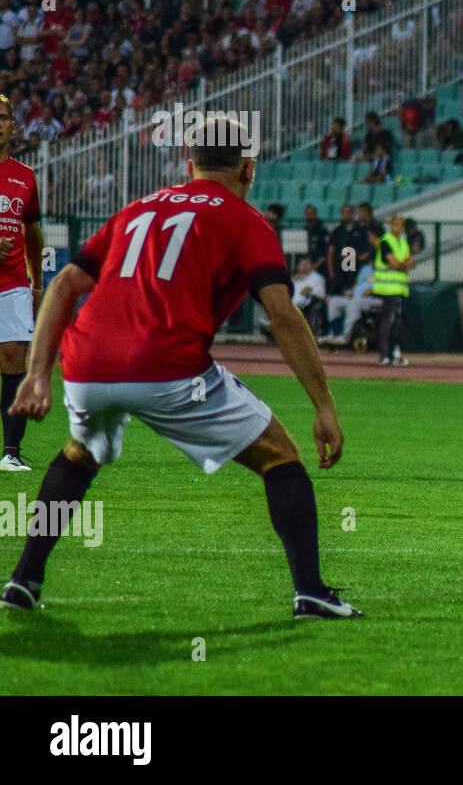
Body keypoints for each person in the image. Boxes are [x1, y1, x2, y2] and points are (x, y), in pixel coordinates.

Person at [0, 116, 359, 619]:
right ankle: (312, 592)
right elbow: (282, 315)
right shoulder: (246, 221)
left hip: (87, 363)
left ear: (188, 165)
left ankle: (23, 581)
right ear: (249, 169)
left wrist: (38, 374)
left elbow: (63, 286)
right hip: (165, 365)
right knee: (280, 457)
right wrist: (323, 405)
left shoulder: (138, 208)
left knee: (79, 456)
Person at [0, 94, 44, 472]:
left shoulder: (26, 176)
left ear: (12, 127)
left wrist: (38, 283)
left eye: (2, 118)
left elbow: (32, 232)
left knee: (15, 359)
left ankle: (10, 452)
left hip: (12, 282)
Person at [372, 216, 413, 366]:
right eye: (396, 225)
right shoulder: (385, 241)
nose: (399, 228)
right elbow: (395, 263)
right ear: (390, 226)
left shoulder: (403, 242)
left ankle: (392, 353)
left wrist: (401, 264)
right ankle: (385, 354)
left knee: (396, 321)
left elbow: (412, 262)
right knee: (389, 321)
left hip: (400, 288)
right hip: (388, 288)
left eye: (401, 225)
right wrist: (402, 264)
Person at [324, 262, 381, 346]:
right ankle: (336, 333)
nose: (372, 263)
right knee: (334, 301)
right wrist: (351, 291)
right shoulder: (366, 268)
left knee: (354, 303)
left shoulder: (386, 271)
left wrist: (372, 291)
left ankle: (345, 337)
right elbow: (357, 284)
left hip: (373, 299)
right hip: (356, 297)